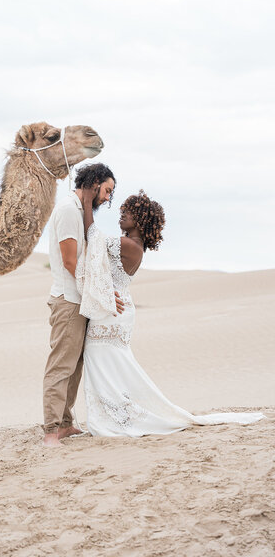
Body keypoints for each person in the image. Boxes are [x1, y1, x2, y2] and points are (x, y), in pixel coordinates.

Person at [76, 186, 265, 437]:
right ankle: (117, 415)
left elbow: (93, 237)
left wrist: (87, 202)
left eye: (129, 212)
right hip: (112, 308)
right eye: (122, 210)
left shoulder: (130, 245)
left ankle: (121, 417)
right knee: (109, 365)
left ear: (141, 220)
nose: (122, 215)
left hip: (113, 312)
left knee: (107, 363)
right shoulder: (129, 243)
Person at [43, 163, 124, 447]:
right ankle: (50, 431)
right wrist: (98, 293)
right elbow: (69, 261)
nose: (107, 198)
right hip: (68, 300)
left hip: (82, 300)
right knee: (60, 366)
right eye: (107, 190)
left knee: (75, 366)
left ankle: (65, 424)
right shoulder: (67, 209)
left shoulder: (80, 211)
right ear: (94, 183)